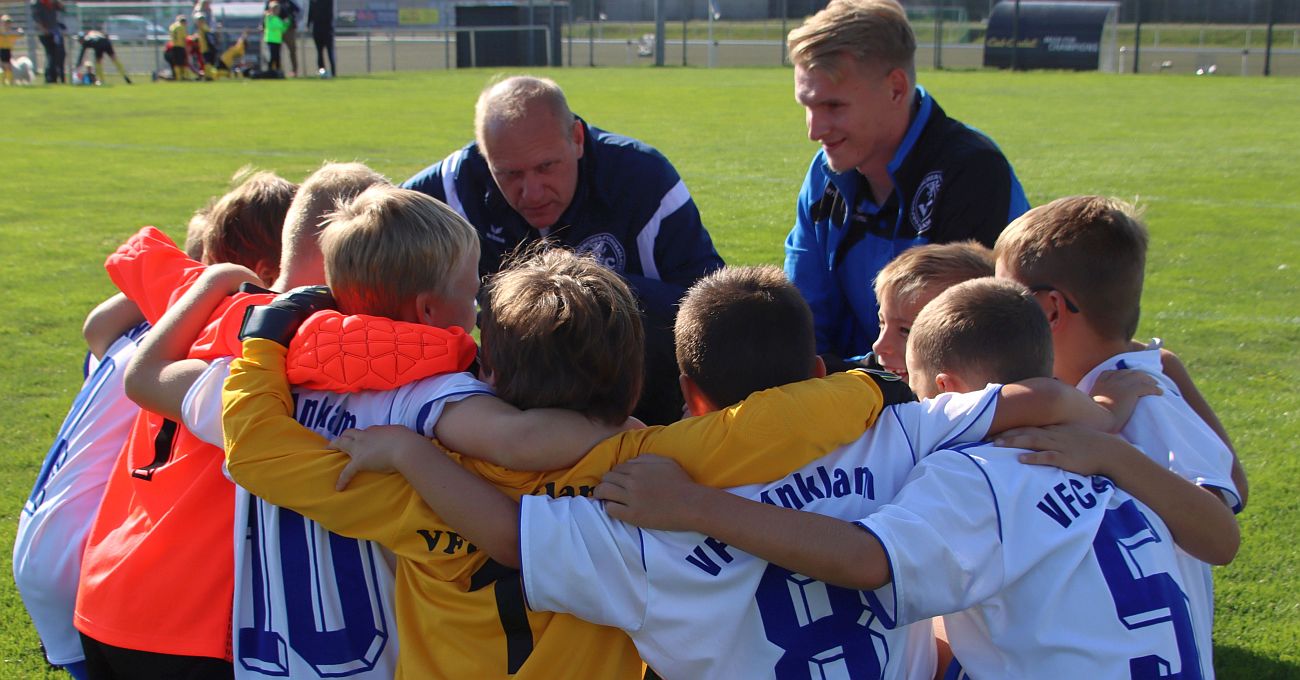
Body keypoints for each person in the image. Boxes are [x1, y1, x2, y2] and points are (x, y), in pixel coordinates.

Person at [322, 265, 1152, 678]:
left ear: (689, 395)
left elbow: (507, 536)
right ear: (818, 364)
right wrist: (1104, 417)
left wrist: (405, 448)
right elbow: (1022, 398)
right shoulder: (896, 433)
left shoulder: (644, 505)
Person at [220, 253, 908, 676]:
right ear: (635, 386)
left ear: (487, 372)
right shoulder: (647, 464)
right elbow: (771, 424)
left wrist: (264, 342)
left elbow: (255, 452)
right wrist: (876, 384)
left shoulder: (412, 479)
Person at [592, 277, 1232, 678]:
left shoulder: (971, 477)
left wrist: (693, 506)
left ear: (948, 393)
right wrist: (1114, 447)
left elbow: (868, 559)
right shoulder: (1124, 458)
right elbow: (1223, 541)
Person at [993, 194, 1245, 672]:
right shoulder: (1089, 393)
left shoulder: (1145, 398)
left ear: (1049, 310)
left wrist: (1110, 453)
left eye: (1006, 296)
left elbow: (1220, 535)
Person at [72, 171, 297, 679]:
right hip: (181, 627)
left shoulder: (154, 331)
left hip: (104, 591)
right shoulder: (262, 348)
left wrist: (200, 280)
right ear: (261, 271)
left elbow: (105, 314)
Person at [403, 75, 724, 425]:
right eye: (509, 173)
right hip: (516, 416)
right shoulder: (450, 188)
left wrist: (599, 298)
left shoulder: (641, 179)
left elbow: (711, 302)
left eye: (546, 167)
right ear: (485, 157)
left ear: (577, 139)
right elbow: (366, 246)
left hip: (641, 411)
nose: (532, 192)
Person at [783, 0, 1029, 367]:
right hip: (855, 394)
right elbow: (803, 322)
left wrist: (834, 384)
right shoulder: (826, 175)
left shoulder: (973, 173)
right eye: (807, 104)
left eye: (833, 106)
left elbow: (955, 356)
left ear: (896, 88)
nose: (813, 130)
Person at [31, 0, 65, 83]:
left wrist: (58, 3)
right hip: (44, 34)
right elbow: (36, 18)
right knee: (51, 55)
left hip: (55, 32)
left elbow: (62, 8)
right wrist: (43, 29)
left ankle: (59, 77)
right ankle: (50, 78)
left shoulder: (53, 3)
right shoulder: (37, 3)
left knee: (61, 54)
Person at [266, 0, 299, 75]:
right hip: (276, 34)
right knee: (275, 54)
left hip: (288, 30)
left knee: (292, 51)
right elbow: (266, 13)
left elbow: (297, 10)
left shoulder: (287, 2)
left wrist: (291, 18)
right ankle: (275, 71)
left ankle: (294, 71)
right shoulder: (270, 3)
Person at [306, 0, 334, 76]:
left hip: (327, 28)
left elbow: (330, 14)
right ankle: (322, 72)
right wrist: (308, 25)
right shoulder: (312, 1)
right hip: (316, 29)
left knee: (330, 52)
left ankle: (333, 72)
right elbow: (310, 13)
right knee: (319, 52)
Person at [262, 3, 286, 75]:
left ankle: (278, 72)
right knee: (272, 56)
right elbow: (275, 26)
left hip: (277, 40)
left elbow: (283, 28)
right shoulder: (269, 18)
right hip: (270, 40)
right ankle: (270, 71)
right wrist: (282, 25)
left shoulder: (277, 19)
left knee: (277, 56)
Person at [167, 14, 188, 80]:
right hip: (180, 46)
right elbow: (184, 37)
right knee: (181, 62)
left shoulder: (172, 26)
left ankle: (177, 76)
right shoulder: (181, 27)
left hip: (173, 46)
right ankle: (182, 76)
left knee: (176, 62)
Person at [0, 14, 20, 86]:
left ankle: (9, 81)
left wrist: (19, 31)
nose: (7, 24)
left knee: (8, 66)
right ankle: (4, 81)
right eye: (5, 23)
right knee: (4, 66)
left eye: (8, 23)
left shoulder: (11, 33)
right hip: (2, 49)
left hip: (7, 50)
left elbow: (20, 34)